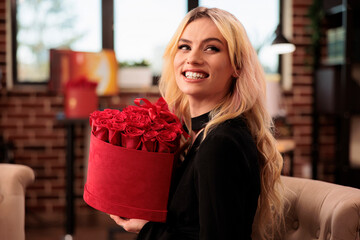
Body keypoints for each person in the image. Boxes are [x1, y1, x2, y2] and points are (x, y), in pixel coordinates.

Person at [110, 7, 285, 240]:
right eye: (184, 47)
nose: (192, 58)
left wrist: (147, 229)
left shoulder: (221, 143)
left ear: (237, 66)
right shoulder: (200, 134)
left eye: (211, 48)